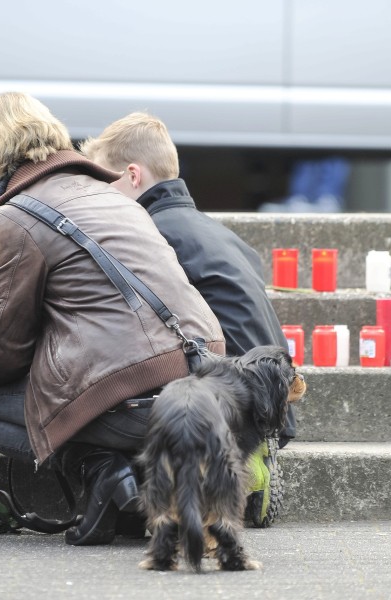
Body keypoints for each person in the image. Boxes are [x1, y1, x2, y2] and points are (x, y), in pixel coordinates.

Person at [0, 93, 224, 546]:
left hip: (137, 397)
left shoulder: (13, 217)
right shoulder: (118, 198)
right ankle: (128, 488)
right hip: (205, 379)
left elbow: (6, 350)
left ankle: (102, 471)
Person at [80, 112, 297, 527]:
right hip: (266, 404)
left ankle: (240, 470)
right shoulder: (214, 230)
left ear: (132, 175)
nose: (102, 197)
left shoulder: (149, 233)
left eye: (106, 184)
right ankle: (252, 460)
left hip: (223, 406)